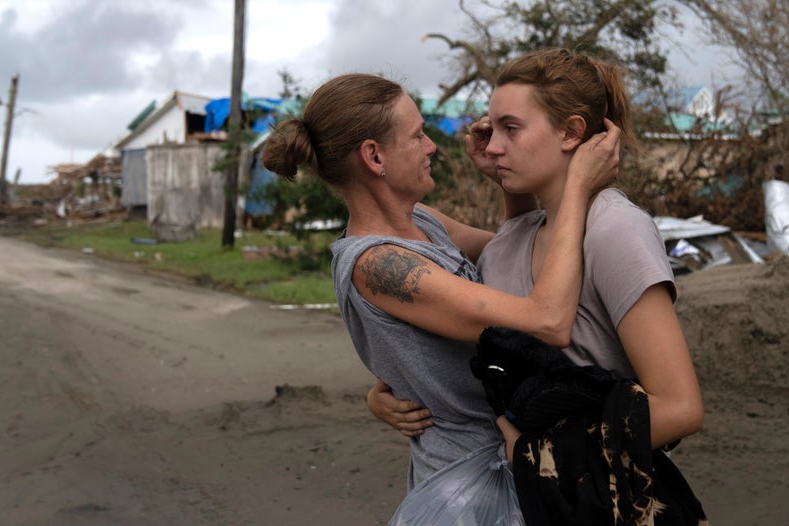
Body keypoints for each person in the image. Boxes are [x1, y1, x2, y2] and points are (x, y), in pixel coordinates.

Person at [258, 72, 621, 489]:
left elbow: (513, 260)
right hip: (471, 489)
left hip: (508, 460)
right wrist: (577, 185)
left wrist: (506, 180)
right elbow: (547, 321)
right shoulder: (376, 264)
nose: (432, 146)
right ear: (374, 157)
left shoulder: (423, 222)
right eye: (417, 136)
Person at [372, 47, 704, 454]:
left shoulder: (615, 229)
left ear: (570, 132)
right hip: (520, 507)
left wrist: (541, 454)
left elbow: (681, 408)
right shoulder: (514, 237)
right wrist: (389, 388)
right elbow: (494, 352)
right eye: (490, 129)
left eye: (511, 128)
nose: (492, 147)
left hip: (602, 508)